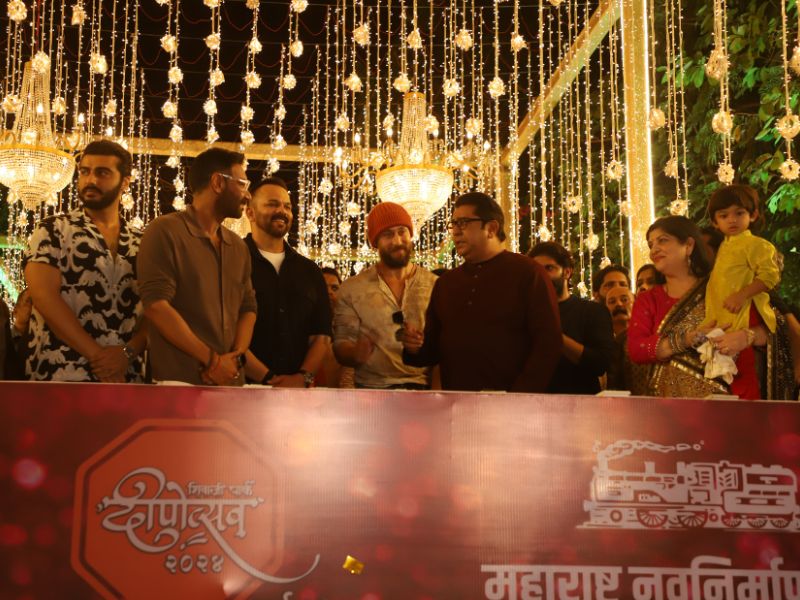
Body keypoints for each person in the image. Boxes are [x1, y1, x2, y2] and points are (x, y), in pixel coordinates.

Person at [402, 192, 562, 392]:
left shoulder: (528, 273)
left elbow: (548, 343)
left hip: (513, 402)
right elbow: (434, 350)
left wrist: (520, 397)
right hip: (457, 403)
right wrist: (415, 347)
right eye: (453, 224)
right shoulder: (446, 283)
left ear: (491, 228)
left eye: (463, 223)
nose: (455, 232)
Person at [627, 216, 793, 399]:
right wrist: (685, 340)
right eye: (651, 244)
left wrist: (747, 337)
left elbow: (775, 330)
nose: (654, 250)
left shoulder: (721, 287)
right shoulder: (648, 300)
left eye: (663, 240)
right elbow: (636, 349)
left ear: (689, 245)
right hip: (668, 405)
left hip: (726, 401)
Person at [22, 140, 147, 382]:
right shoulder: (53, 230)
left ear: (125, 182)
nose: (90, 180)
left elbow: (157, 308)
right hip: (58, 373)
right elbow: (44, 296)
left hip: (126, 375)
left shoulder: (142, 242)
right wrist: (99, 357)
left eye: (102, 173)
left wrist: (127, 354)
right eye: (85, 172)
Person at [137, 147, 257, 385]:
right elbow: (156, 306)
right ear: (218, 183)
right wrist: (213, 362)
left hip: (231, 383)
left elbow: (248, 308)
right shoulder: (165, 231)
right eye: (242, 184)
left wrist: (235, 358)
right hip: (179, 384)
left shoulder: (238, 246)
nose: (248, 195)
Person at [333, 202, 437, 389]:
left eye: (402, 232)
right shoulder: (352, 289)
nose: (397, 241)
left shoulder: (435, 285)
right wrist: (355, 353)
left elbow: (446, 346)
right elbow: (341, 344)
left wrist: (423, 346)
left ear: (410, 234)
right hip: (371, 390)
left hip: (423, 389)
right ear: (375, 243)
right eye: (388, 235)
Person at [242, 177, 331, 388]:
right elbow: (226, 332)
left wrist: (303, 377)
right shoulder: (233, 261)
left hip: (299, 392)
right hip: (243, 388)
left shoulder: (310, 270)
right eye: (272, 204)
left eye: (287, 206)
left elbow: (322, 336)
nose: (282, 211)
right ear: (250, 213)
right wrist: (268, 379)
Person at [702, 184, 781, 399]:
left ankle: (751, 418)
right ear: (715, 222)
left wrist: (742, 295)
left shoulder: (757, 245)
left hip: (746, 316)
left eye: (739, 213)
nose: (732, 220)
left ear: (752, 215)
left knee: (747, 378)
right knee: (729, 381)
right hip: (724, 321)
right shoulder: (723, 247)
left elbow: (770, 277)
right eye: (724, 215)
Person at [529, 241, 614, 394]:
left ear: (567, 272)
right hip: (532, 401)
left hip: (580, 402)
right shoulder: (525, 313)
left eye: (549, 268)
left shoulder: (592, 311)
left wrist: (556, 337)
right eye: (537, 270)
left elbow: (601, 364)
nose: (542, 275)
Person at [604, 286, 649, 394]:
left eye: (624, 300)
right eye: (612, 302)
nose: (618, 304)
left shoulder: (647, 338)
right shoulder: (604, 342)